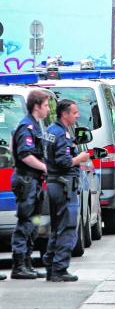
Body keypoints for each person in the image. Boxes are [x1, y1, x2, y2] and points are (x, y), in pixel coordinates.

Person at [44, 99, 91, 282]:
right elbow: (64, 162)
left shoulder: (50, 131)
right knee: (68, 227)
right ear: (65, 114)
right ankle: (59, 268)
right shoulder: (61, 134)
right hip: (64, 186)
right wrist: (80, 158)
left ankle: (50, 265)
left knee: (57, 228)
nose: (77, 115)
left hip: (55, 184)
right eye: (74, 112)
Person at [10, 90, 50, 280]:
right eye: (46, 105)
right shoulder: (27, 126)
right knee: (25, 222)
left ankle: (27, 263)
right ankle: (19, 265)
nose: (49, 109)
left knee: (34, 222)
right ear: (37, 106)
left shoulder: (36, 126)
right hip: (27, 180)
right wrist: (45, 167)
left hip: (34, 182)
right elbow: (25, 155)